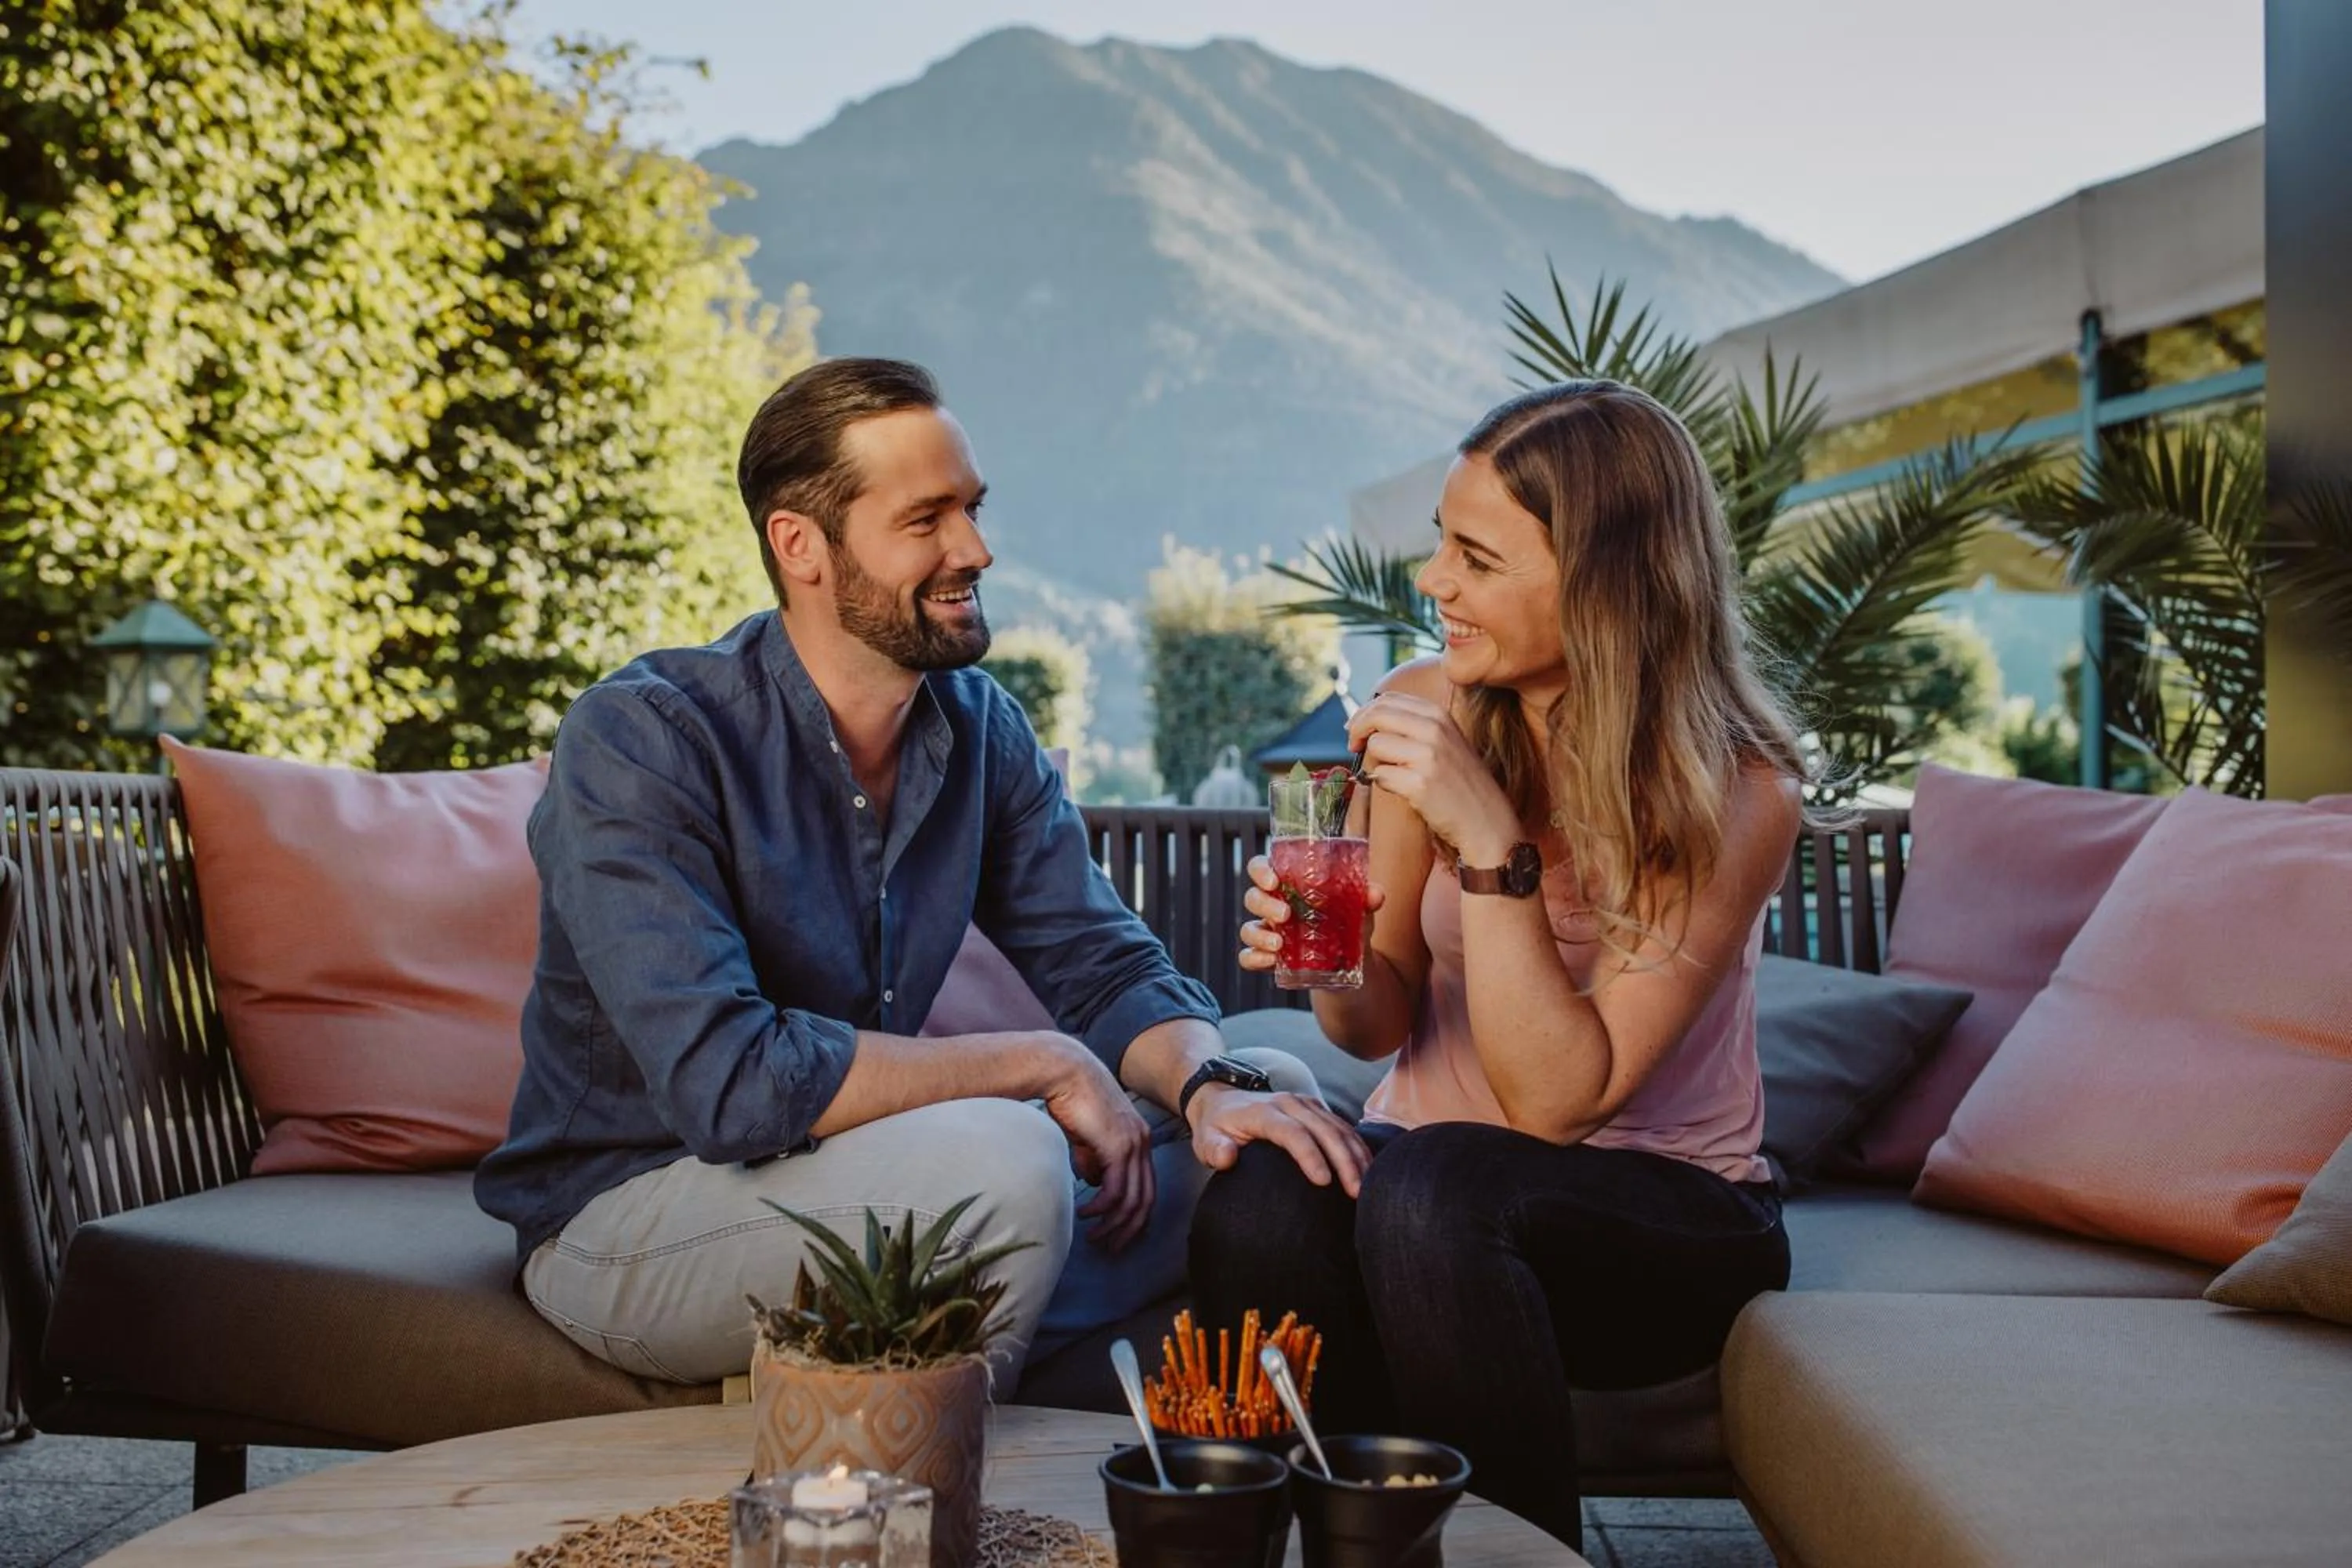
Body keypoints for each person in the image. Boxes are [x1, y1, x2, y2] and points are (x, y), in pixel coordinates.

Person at [475, 357, 1369, 1391]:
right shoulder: (644, 738)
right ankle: (929, 1426)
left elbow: (1103, 962)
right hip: (636, 1214)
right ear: (800, 545)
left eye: (972, 509)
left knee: (1270, 1101)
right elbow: (730, 1086)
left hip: (864, 1183)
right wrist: (1044, 1065)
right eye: (925, 520)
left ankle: (951, 1346)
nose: (975, 550)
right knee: (1007, 1162)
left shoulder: (979, 725)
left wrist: (1207, 1088)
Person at [1189, 379, 1807, 1552]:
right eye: (1441, 540)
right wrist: (1327, 960)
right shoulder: (1427, 707)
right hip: (1429, 1196)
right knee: (1268, 1192)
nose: (1434, 581)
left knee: (1438, 1188)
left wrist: (1491, 842)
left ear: (1606, 583)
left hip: (1666, 1223)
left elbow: (1560, 1103)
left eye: (1476, 558)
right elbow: (1374, 1029)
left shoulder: (1735, 785)